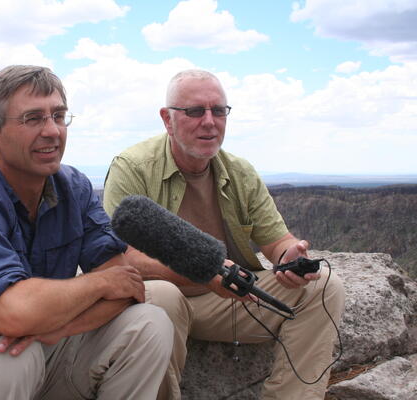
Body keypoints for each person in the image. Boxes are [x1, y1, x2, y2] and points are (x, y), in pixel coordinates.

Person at [0, 65, 173, 400]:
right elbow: (13, 314)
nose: (52, 131)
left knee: (149, 323)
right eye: (33, 119)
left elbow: (126, 288)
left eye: (58, 116)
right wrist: (98, 282)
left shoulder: (74, 187)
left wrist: (58, 328)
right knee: (9, 357)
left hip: (42, 345)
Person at [103, 69, 345, 400]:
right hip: (167, 298)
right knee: (161, 297)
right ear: (167, 119)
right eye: (195, 111)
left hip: (229, 299)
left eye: (218, 110)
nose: (209, 121)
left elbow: (276, 242)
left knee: (323, 286)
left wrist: (290, 256)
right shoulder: (133, 168)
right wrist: (204, 272)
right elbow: (120, 257)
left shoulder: (240, 172)